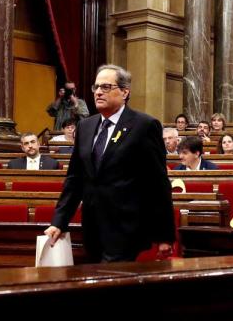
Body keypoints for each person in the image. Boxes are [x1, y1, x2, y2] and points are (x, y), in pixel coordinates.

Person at [45, 64, 174, 263]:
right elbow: (75, 179)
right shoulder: (86, 126)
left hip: (128, 229)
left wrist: (164, 235)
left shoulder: (144, 125)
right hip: (93, 229)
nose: (98, 92)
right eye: (96, 87)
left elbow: (157, 183)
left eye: (106, 87)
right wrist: (59, 221)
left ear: (124, 92)